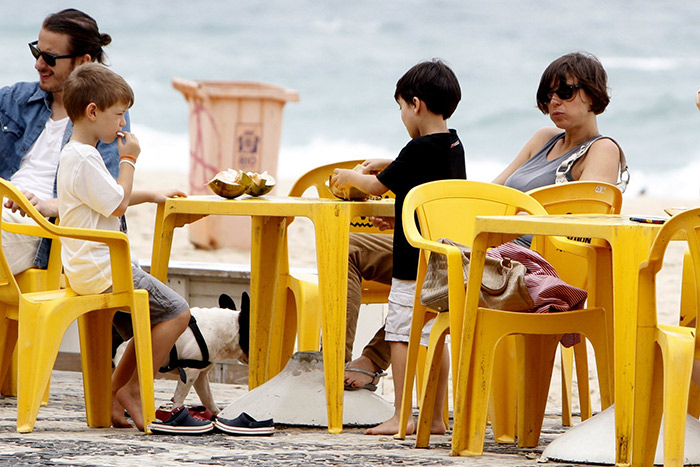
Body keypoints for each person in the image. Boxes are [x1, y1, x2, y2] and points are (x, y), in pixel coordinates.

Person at [343, 51, 624, 395]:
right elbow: (489, 196)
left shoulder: (602, 150)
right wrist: (409, 184)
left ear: (593, 94)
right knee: (353, 249)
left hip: (523, 264)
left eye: (564, 92)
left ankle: (371, 363)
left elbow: (579, 224)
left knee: (425, 278)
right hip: (479, 246)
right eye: (546, 95)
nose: (554, 102)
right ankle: (333, 366)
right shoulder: (542, 139)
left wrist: (512, 222)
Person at [331, 59, 465, 435]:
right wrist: (394, 166)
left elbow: (374, 187)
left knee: (401, 336)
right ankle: (436, 419)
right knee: (433, 338)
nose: (403, 115)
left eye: (402, 107)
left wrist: (349, 176)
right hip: (440, 258)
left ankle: (401, 415)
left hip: (411, 258)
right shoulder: (453, 145)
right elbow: (430, 180)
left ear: (416, 103)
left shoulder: (417, 148)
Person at [57, 62, 189, 431]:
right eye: (119, 115)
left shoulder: (74, 155)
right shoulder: (85, 157)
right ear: (92, 111)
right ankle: (131, 388)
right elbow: (115, 203)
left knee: (152, 317)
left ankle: (114, 396)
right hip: (103, 268)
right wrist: (129, 159)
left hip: (85, 267)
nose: (123, 126)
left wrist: (150, 195)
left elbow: (107, 199)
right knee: (177, 311)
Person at [0, 8, 124, 274]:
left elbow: (105, 196)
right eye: (37, 52)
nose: (38, 64)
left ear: (83, 61)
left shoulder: (104, 116)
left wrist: (43, 206)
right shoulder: (15, 99)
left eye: (50, 58)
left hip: (39, 227)